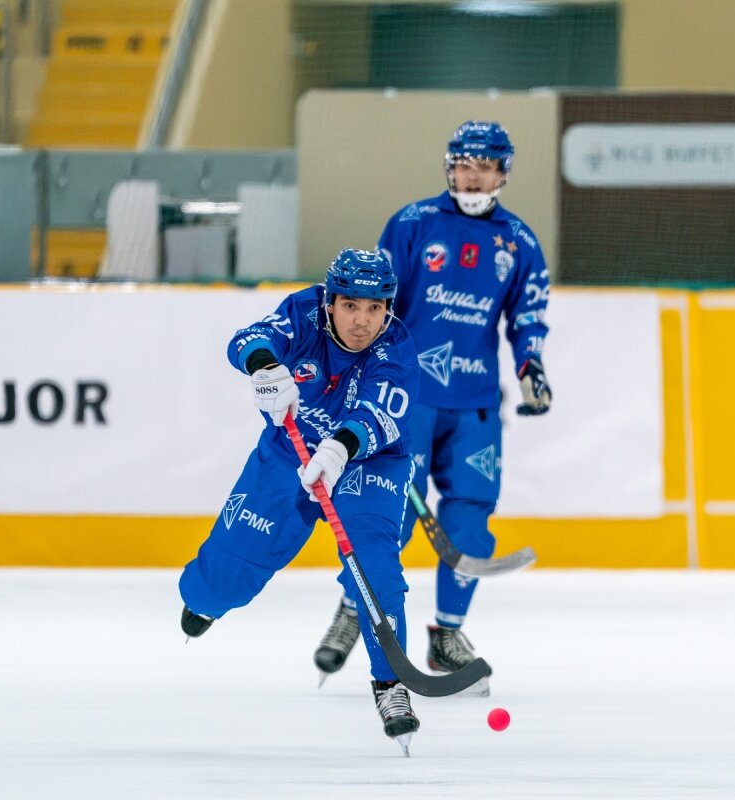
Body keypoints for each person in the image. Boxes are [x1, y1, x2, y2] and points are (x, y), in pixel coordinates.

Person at [313, 121, 552, 696]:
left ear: (503, 173)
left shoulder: (518, 241)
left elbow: (528, 313)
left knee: (470, 518)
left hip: (474, 408)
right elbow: (375, 304)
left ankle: (447, 635)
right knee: (384, 516)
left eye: (486, 166)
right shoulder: (414, 224)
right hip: (407, 401)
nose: (474, 175)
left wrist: (530, 365)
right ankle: (355, 605)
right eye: (466, 164)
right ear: (451, 167)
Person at [179, 248, 423, 749]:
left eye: (375, 308)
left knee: (375, 570)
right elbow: (249, 339)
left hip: (366, 463)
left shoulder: (396, 348)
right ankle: (208, 599)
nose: (362, 321)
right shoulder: (304, 312)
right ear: (331, 300)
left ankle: (389, 682)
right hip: (287, 453)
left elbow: (380, 414)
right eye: (352, 305)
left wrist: (337, 451)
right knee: (215, 585)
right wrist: (266, 369)